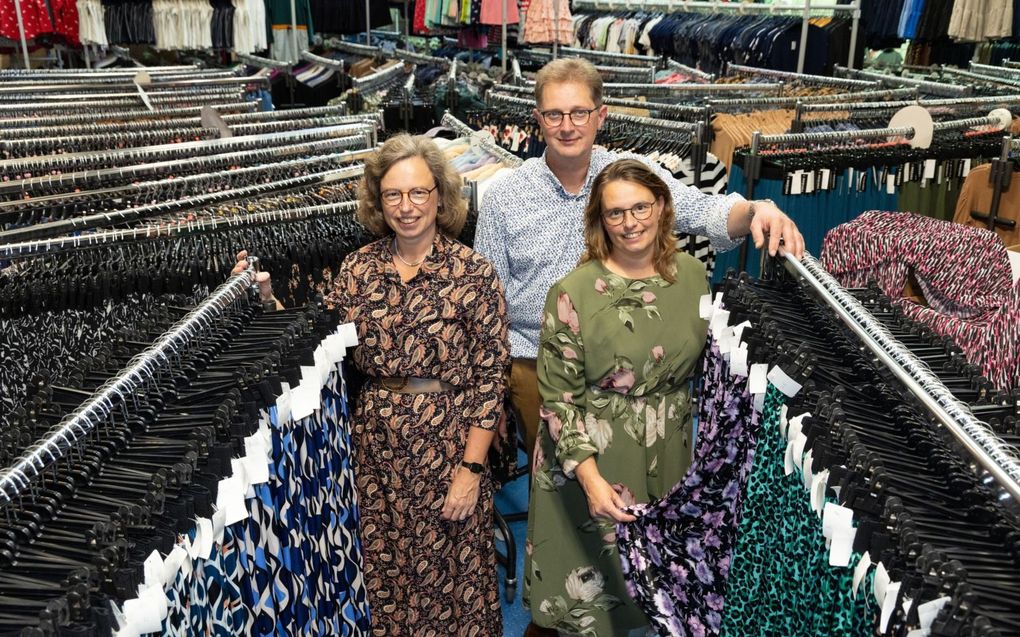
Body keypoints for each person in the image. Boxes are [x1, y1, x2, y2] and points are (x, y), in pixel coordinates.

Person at [474, 57, 805, 481]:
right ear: (538, 119)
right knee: (560, 489)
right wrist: (491, 398)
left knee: (632, 492)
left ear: (601, 116)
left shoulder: (629, 174)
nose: (567, 125)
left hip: (629, 366)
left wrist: (759, 207)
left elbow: (703, 210)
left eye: (580, 112)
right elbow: (487, 305)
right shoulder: (504, 196)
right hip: (537, 369)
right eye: (555, 114)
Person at [236, 134, 510, 636]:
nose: (406, 207)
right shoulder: (360, 267)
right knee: (387, 571)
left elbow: (491, 379)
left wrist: (471, 468)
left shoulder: (473, 272)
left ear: (441, 197)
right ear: (378, 201)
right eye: (393, 195)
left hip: (449, 440)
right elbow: (318, 344)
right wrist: (268, 298)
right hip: (376, 443)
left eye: (418, 193)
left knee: (452, 572)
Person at [525, 158, 710, 635]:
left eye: (640, 207)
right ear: (600, 221)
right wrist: (590, 483)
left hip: (668, 450)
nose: (630, 223)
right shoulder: (572, 291)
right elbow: (558, 402)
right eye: (615, 213)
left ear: (663, 206)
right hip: (590, 460)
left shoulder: (691, 275)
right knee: (591, 605)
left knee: (660, 598)